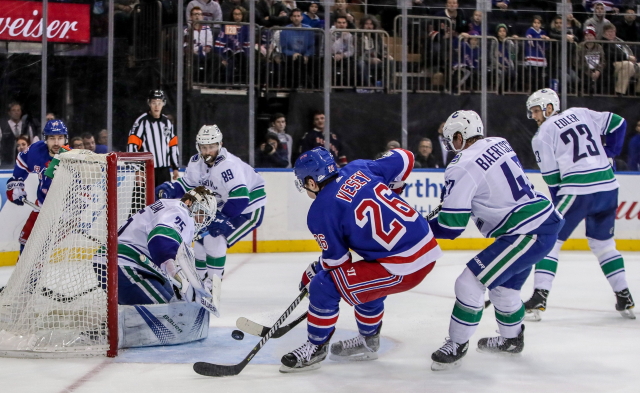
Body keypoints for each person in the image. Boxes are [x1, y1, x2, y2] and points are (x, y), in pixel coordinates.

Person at [279, 147, 442, 372]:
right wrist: (394, 189)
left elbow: (338, 265)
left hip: (404, 265)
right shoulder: (359, 167)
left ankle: (315, 348)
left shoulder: (320, 211)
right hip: (423, 246)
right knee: (362, 283)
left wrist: (315, 274)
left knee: (324, 285)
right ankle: (368, 341)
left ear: (312, 182)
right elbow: (406, 157)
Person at [428, 110, 564, 370]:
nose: (451, 147)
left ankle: (457, 344)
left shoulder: (461, 165)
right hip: (542, 223)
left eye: (451, 139)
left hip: (526, 231)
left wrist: (423, 228)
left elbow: (452, 225)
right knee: (504, 289)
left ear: (460, 136)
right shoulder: (499, 142)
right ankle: (511, 340)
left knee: (469, 283)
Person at [524, 88, 635, 320]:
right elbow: (618, 122)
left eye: (537, 111)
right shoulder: (581, 112)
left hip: (578, 190)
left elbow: (553, 178)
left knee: (549, 240)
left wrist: (555, 213)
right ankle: (624, 296)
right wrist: (610, 153)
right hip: (608, 187)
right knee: (603, 245)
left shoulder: (543, 134)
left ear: (550, 107)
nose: (534, 116)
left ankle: (539, 297)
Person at [155, 125, 267, 286]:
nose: (208, 151)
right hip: (224, 205)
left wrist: (222, 219)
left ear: (220, 145)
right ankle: (199, 282)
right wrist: (171, 188)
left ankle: (213, 285)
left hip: (250, 208)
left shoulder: (228, 165)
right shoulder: (196, 162)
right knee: (201, 242)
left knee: (215, 238)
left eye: (212, 147)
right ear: (198, 147)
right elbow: (187, 185)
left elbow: (241, 198)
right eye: (204, 147)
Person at [5, 120, 69, 253]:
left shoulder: (73, 159)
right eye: (52, 138)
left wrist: (72, 212)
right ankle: (26, 274)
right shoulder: (36, 151)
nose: (56, 143)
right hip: (41, 206)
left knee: (41, 250)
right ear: (45, 139)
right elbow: (22, 163)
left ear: (65, 139)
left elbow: (85, 189)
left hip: (62, 212)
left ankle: (36, 272)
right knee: (26, 242)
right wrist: (16, 184)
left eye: (60, 138)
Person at [127, 90, 180, 188]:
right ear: (149, 103)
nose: (156, 106)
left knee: (163, 202)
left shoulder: (167, 123)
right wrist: (137, 170)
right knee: (144, 202)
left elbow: (172, 145)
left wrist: (175, 167)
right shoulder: (141, 122)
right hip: (146, 170)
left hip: (164, 171)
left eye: (159, 103)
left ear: (163, 104)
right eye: (154, 103)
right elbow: (132, 145)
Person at [279, 9, 316, 89]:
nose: (296, 18)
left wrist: (307, 55)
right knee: (298, 60)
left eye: (298, 16)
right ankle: (302, 86)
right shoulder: (285, 30)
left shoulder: (309, 29)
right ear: (291, 18)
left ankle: (313, 86)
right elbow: (284, 48)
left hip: (306, 55)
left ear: (302, 17)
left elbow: (312, 46)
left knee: (317, 60)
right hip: (290, 56)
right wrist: (293, 53)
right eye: (294, 16)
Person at [601, 23, 640, 95]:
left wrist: (631, 57)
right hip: (613, 63)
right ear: (604, 33)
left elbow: (627, 50)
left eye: (613, 31)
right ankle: (619, 92)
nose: (611, 33)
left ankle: (638, 92)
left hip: (625, 62)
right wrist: (627, 57)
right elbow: (610, 54)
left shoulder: (618, 41)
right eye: (609, 31)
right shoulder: (603, 42)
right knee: (628, 65)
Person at [214, 6, 250, 84]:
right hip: (227, 50)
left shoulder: (246, 27)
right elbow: (220, 43)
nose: (237, 16)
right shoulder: (229, 26)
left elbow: (246, 45)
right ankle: (228, 84)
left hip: (238, 51)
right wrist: (221, 58)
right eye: (235, 14)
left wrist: (248, 55)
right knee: (230, 61)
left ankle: (244, 83)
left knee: (245, 60)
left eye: (239, 14)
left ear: (243, 15)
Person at [186, 7, 217, 83]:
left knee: (217, 58)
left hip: (205, 53)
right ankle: (192, 83)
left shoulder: (207, 29)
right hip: (192, 54)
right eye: (195, 14)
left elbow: (209, 44)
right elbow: (186, 45)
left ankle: (208, 82)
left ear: (202, 16)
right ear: (191, 17)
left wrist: (204, 48)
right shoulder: (187, 30)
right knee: (192, 58)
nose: (197, 16)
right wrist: (195, 50)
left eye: (199, 14)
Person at [575, 26, 605, 94]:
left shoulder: (599, 47)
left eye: (591, 35)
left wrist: (598, 71)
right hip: (584, 70)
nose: (589, 37)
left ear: (594, 36)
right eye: (587, 35)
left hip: (597, 70)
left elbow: (602, 60)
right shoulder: (580, 47)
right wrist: (590, 72)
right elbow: (578, 62)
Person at [524, 15, 550, 91]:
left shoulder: (543, 32)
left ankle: (538, 90)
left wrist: (547, 39)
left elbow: (546, 45)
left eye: (538, 23)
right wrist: (540, 37)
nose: (536, 24)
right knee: (531, 75)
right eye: (535, 22)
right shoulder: (530, 30)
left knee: (539, 75)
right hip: (531, 55)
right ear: (532, 23)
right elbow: (530, 41)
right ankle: (531, 90)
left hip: (540, 56)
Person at [331, 16, 355, 87]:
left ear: (346, 24)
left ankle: (347, 85)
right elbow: (332, 49)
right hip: (331, 55)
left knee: (352, 62)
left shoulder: (349, 35)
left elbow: (351, 51)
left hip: (343, 56)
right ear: (335, 24)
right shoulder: (330, 33)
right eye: (339, 23)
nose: (341, 25)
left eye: (343, 23)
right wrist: (341, 37)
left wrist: (343, 55)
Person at [493, 23, 516, 91]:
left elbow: (514, 55)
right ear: (497, 33)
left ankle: (507, 90)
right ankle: (500, 90)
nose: (502, 33)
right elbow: (491, 56)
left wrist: (515, 43)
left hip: (508, 66)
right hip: (498, 66)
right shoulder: (494, 42)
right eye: (500, 31)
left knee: (513, 74)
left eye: (504, 31)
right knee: (503, 73)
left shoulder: (509, 42)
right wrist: (500, 65)